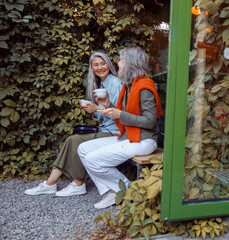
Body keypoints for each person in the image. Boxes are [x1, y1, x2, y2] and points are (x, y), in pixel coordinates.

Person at [25, 52, 123, 197]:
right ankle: (51, 183)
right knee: (74, 139)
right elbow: (103, 117)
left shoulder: (115, 82)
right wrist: (93, 111)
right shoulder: (101, 84)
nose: (100, 67)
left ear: (109, 64)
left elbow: (120, 113)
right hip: (106, 128)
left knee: (74, 140)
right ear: (91, 68)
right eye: (96, 65)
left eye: (103, 63)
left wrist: (97, 108)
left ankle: (76, 184)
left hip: (116, 131)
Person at [77, 47, 163, 209]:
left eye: (121, 60)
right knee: (83, 149)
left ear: (130, 63)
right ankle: (113, 191)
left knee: (92, 159)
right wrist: (107, 105)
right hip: (128, 136)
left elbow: (150, 122)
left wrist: (120, 114)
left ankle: (126, 189)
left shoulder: (144, 87)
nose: (117, 63)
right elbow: (121, 113)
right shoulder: (129, 86)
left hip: (144, 140)